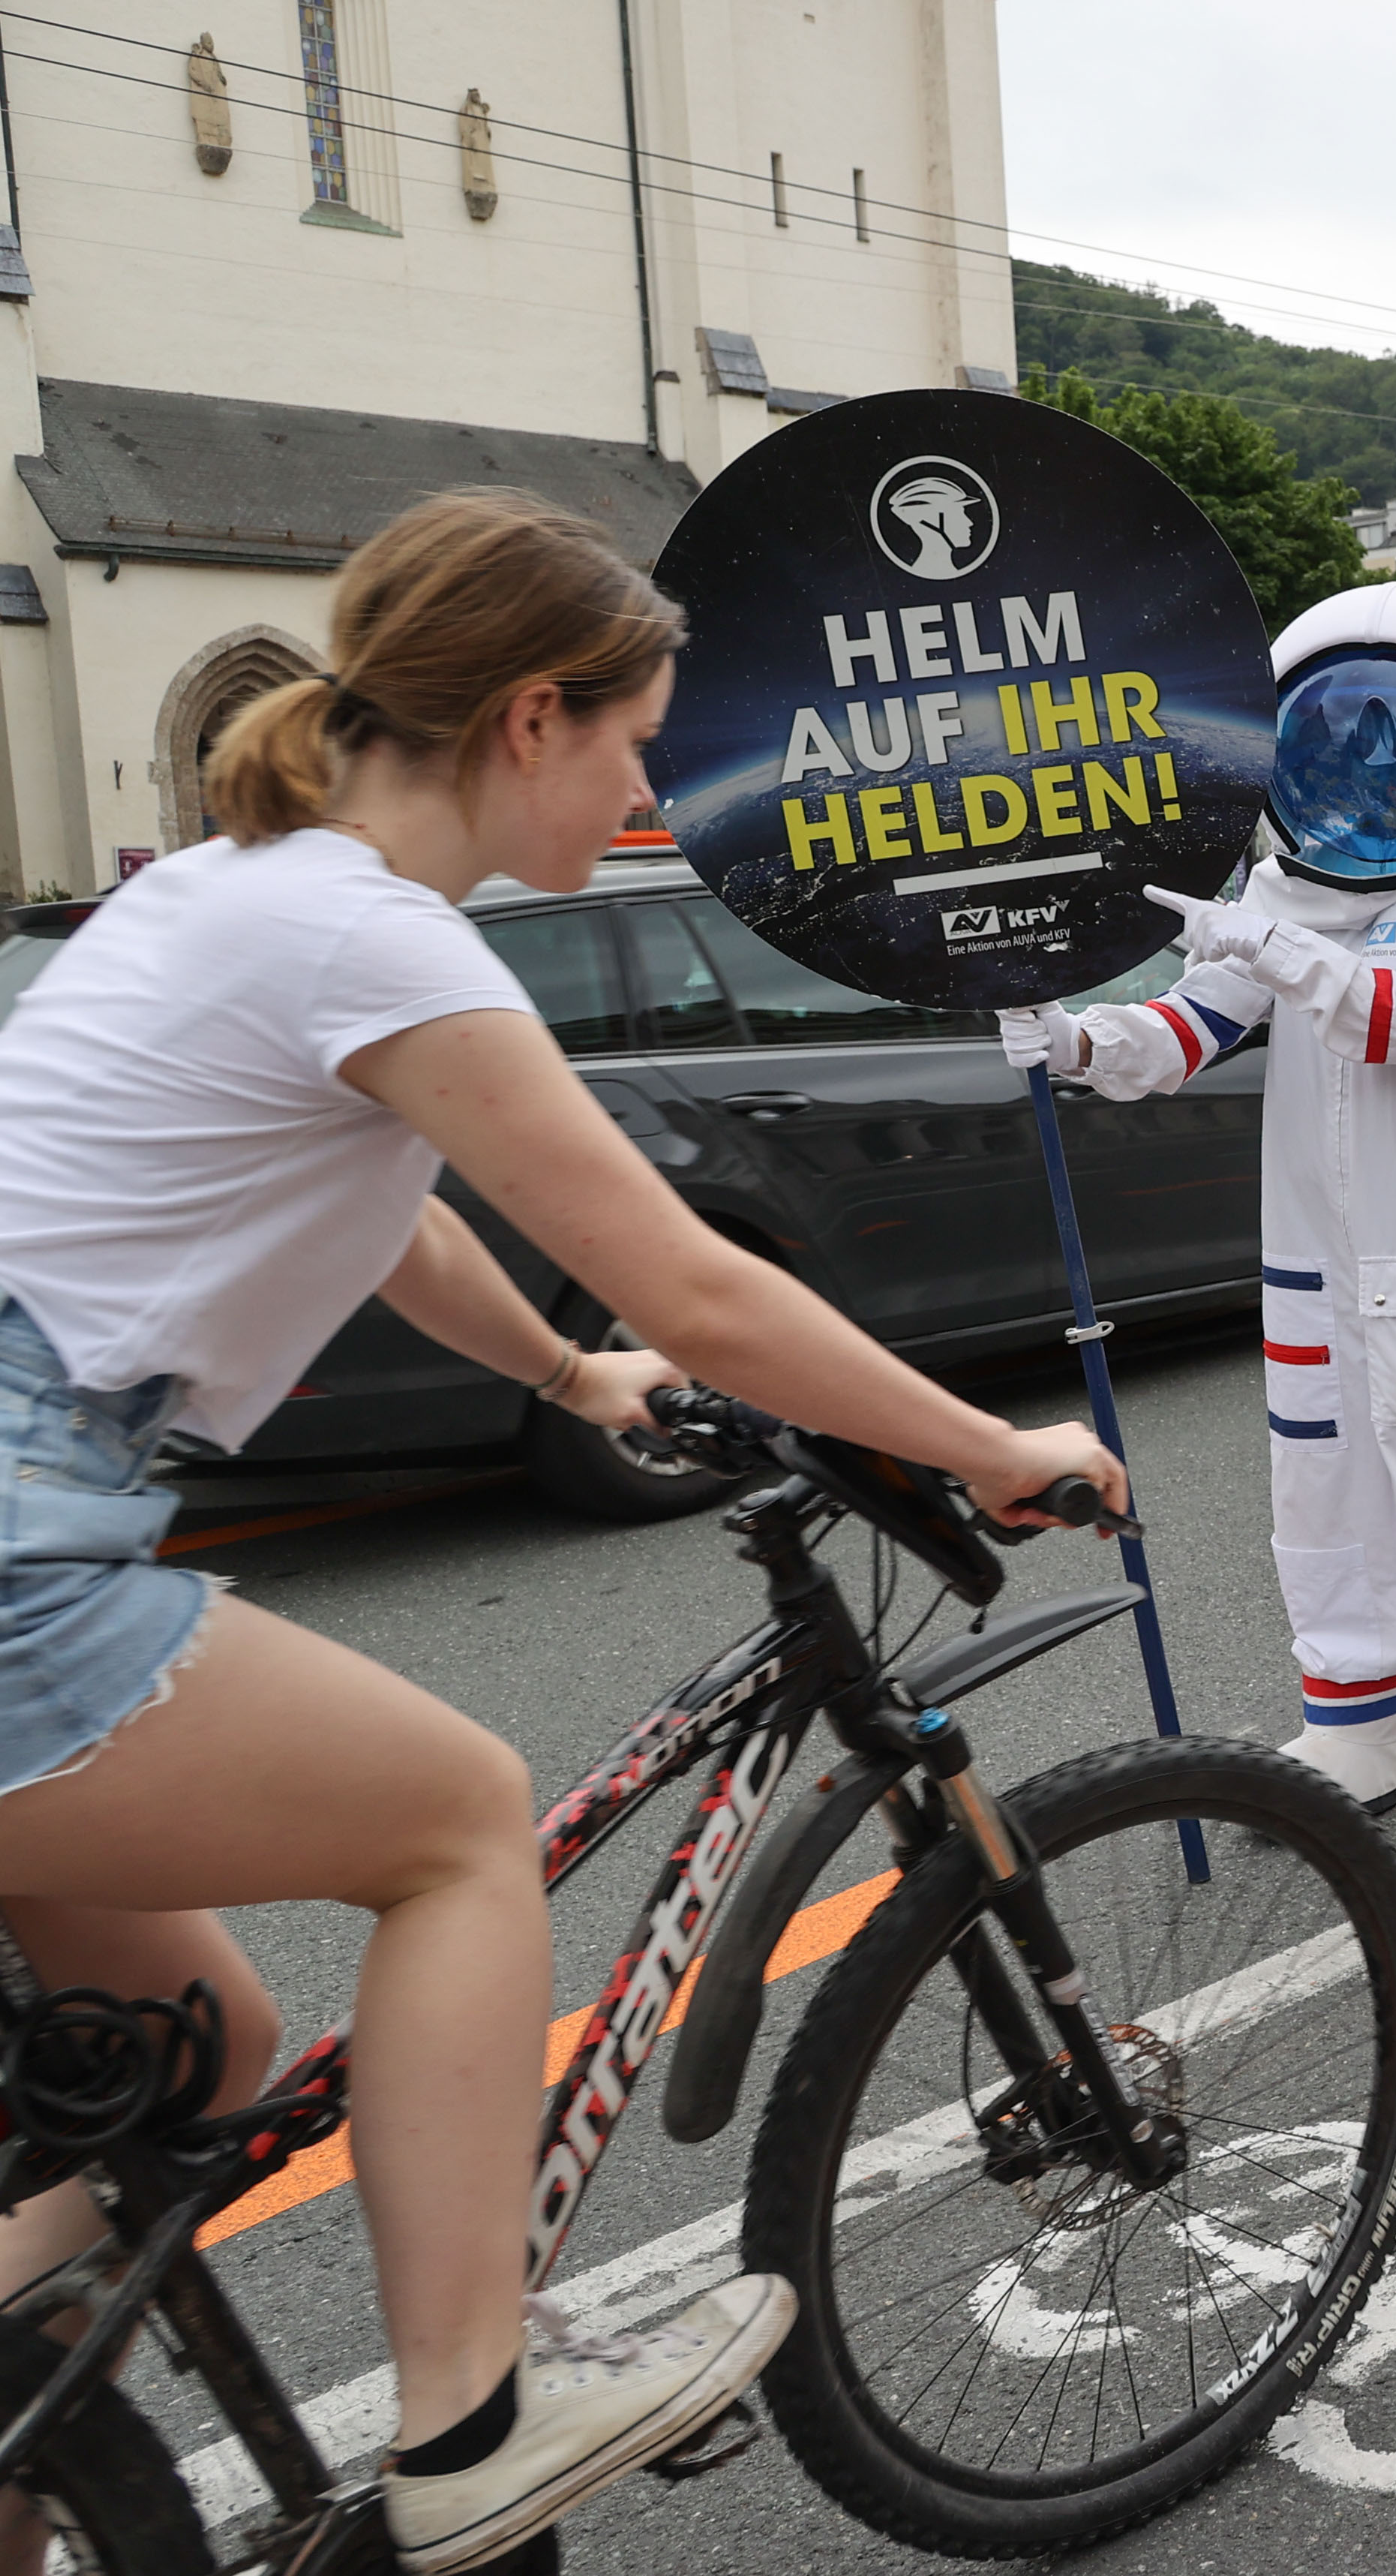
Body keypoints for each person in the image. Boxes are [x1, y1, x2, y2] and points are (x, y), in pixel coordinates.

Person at [0, 490, 1123, 2575]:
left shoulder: (239, 890)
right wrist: (981, 1445)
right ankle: (473, 2417)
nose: (641, 794)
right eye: (632, 744)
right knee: (456, 1827)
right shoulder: (370, 934)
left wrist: (562, 1371)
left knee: (190, 2056)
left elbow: (390, 1204)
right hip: (12, 1525)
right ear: (532, 716)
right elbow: (693, 1277)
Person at [1001, 585, 1396, 1872]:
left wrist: (1267, 945)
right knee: (1326, 1503)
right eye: (1342, 741)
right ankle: (1359, 1723)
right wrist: (1073, 1038)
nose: (1376, 772)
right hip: (1314, 1269)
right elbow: (1186, 1029)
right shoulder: (1283, 897)